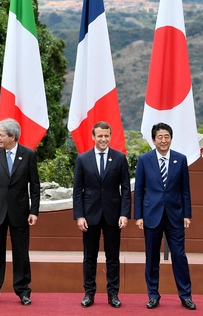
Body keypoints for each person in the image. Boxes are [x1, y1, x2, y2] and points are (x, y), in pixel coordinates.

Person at [134, 122, 196, 310]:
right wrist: (138, 216)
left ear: (171, 138)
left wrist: (187, 214)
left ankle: (185, 296)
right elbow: (139, 190)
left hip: (175, 215)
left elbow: (185, 190)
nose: (163, 140)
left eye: (166, 136)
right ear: (153, 140)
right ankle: (153, 295)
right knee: (152, 257)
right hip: (151, 214)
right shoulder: (144, 160)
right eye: (159, 137)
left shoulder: (180, 159)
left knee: (179, 256)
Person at [0, 118, 40, 306]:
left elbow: (35, 186)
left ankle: (23, 291)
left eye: (1, 135)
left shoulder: (28, 154)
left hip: (20, 211)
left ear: (12, 137)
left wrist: (34, 211)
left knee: (21, 253)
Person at [73, 121, 131, 308]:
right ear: (93, 137)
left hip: (113, 216)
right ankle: (89, 293)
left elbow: (125, 188)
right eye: (100, 136)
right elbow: (77, 190)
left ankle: (113, 294)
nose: (103, 139)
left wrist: (124, 214)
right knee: (89, 257)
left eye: (106, 136)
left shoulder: (120, 158)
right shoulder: (83, 159)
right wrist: (79, 216)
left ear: (110, 136)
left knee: (112, 257)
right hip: (89, 216)